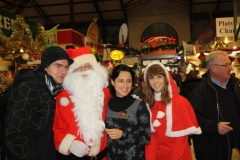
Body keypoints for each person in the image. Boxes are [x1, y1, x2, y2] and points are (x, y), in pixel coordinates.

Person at [3, 46, 73, 160]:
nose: (63, 71)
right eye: (58, 66)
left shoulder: (50, 88)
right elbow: (14, 135)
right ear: (45, 66)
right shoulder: (29, 88)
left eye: (66, 67)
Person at [53, 46, 111, 160]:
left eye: (87, 66)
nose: (84, 70)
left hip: (100, 156)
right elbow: (50, 127)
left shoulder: (104, 92)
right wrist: (69, 144)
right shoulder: (60, 95)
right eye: (78, 67)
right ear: (71, 71)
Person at [188, 50, 240, 160]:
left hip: (233, 145)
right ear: (213, 68)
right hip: (213, 149)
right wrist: (215, 126)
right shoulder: (199, 93)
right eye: (226, 65)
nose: (230, 68)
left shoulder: (234, 86)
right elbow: (193, 119)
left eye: (229, 64)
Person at [143, 61, 201, 160]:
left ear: (166, 78)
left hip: (178, 156)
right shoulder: (148, 104)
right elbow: (151, 140)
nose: (155, 81)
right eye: (151, 78)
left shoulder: (180, 102)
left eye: (159, 77)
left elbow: (181, 141)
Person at [105, 64, 150, 160]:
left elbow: (146, 138)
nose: (125, 86)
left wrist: (123, 134)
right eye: (121, 81)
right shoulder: (106, 104)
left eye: (128, 81)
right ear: (113, 82)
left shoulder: (139, 106)